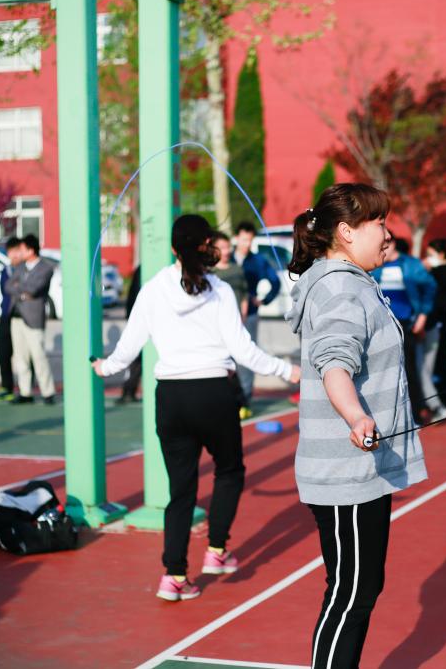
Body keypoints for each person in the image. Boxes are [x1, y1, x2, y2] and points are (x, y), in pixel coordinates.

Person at [93, 214, 300, 602]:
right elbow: (243, 350)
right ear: (209, 246)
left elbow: (127, 349)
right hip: (214, 394)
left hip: (171, 399)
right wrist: (287, 370)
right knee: (230, 470)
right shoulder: (219, 290)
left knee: (181, 491)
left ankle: (173, 575)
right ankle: (216, 550)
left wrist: (103, 367)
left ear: (174, 248)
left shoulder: (153, 289)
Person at [285, 184, 427, 668]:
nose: (387, 234)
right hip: (346, 469)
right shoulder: (341, 288)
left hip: (362, 467)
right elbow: (334, 362)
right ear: (346, 232)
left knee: (360, 587)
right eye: (379, 223)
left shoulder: (353, 282)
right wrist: (355, 414)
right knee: (351, 591)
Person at [371, 237, 439, 419]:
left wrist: (422, 316)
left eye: (385, 244)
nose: (382, 248)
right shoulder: (376, 264)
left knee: (409, 369)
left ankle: (416, 413)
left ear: (392, 244)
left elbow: (430, 287)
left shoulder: (411, 264)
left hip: (405, 323)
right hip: (382, 324)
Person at [233, 222, 282, 418]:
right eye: (243, 239)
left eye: (249, 240)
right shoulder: (225, 258)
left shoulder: (257, 261)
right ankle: (228, 400)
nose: (246, 243)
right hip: (226, 316)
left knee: (247, 356)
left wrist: (263, 300)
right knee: (227, 357)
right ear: (236, 238)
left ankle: (245, 402)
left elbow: (275, 281)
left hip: (250, 315)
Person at [6, 235, 57, 405]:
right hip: (16, 316)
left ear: (31, 250)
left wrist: (19, 289)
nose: (19, 253)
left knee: (38, 356)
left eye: (22, 249)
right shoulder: (20, 267)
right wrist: (22, 293)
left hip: (33, 318)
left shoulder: (45, 268)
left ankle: (48, 392)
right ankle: (25, 392)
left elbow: (34, 289)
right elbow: (8, 286)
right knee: (21, 357)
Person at [424, 239, 446, 406]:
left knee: (441, 356)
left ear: (441, 254)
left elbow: (445, 284)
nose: (428, 258)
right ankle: (430, 396)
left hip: (442, 318)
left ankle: (444, 396)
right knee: (430, 358)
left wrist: (431, 270)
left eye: (431, 255)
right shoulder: (431, 271)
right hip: (430, 318)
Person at [0, 237, 23, 402]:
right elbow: (5, 291)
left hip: (22, 316)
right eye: (11, 252)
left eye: (17, 251)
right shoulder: (6, 270)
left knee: (24, 354)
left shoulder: (26, 269)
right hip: (6, 315)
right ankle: (6, 386)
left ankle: (25, 389)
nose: (14, 255)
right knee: (2, 351)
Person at [117, 266, 142, 404]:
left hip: (138, 320)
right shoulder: (141, 270)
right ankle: (128, 390)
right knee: (135, 358)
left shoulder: (140, 270)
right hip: (138, 320)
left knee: (135, 358)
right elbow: (133, 293)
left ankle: (128, 390)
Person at [212, 232, 249, 321]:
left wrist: (243, 316)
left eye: (228, 247)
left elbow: (244, 294)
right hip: (216, 319)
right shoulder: (209, 272)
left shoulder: (237, 269)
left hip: (236, 319)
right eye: (222, 248)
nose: (226, 251)